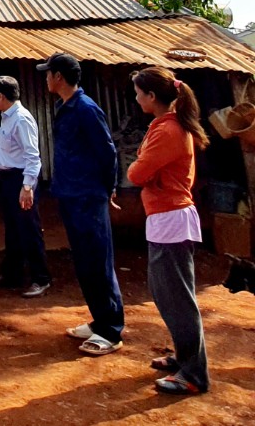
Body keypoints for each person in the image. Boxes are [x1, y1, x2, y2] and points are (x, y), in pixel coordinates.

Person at [127, 67, 210, 395]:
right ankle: (185, 357)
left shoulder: (168, 131)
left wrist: (139, 166)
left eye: (138, 93)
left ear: (151, 97)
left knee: (177, 299)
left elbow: (136, 173)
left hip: (171, 220)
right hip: (169, 219)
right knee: (169, 294)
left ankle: (194, 374)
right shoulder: (169, 126)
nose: (136, 98)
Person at [38, 52, 125, 356]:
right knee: (85, 261)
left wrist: (108, 188)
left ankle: (111, 330)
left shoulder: (86, 109)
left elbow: (107, 151)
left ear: (58, 77)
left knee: (98, 261)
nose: (46, 78)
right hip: (71, 194)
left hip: (89, 196)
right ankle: (99, 319)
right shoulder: (64, 106)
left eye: (48, 73)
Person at [0, 76, 51, 298]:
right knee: (13, 229)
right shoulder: (8, 117)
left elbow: (33, 157)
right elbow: (8, 136)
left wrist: (27, 187)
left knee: (29, 228)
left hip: (20, 179)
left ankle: (41, 279)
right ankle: (12, 275)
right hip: (9, 180)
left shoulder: (22, 119)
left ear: (1, 96)